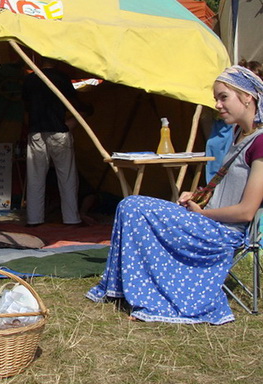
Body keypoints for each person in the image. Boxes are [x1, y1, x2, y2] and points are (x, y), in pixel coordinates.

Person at [86, 64, 263, 324]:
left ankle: (149, 296)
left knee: (134, 206)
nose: (217, 104)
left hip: (224, 232)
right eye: (216, 98)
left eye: (223, 97)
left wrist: (204, 213)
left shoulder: (259, 142)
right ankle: (128, 289)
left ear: (248, 96)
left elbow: (246, 211)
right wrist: (199, 195)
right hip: (210, 219)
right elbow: (228, 188)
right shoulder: (239, 134)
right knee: (130, 206)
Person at [21, 56, 85, 226]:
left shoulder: (30, 80)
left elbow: (26, 108)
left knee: (35, 176)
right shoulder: (62, 78)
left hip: (36, 131)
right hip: (58, 130)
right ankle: (71, 218)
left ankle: (34, 219)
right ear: (55, 60)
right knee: (67, 175)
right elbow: (74, 102)